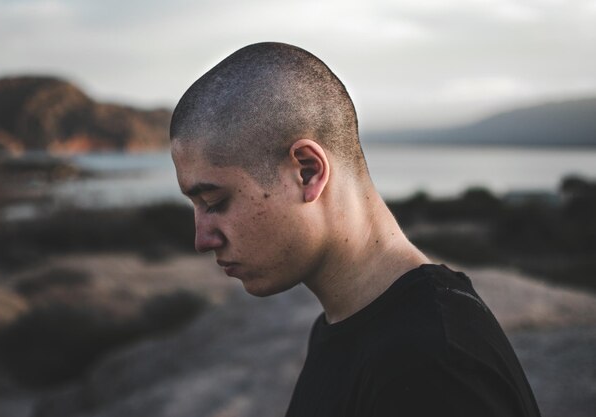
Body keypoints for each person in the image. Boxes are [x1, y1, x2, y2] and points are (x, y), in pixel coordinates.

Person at [169, 42, 541, 417]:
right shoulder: (346, 325)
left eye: (215, 201)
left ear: (307, 171)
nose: (202, 239)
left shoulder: (432, 361)